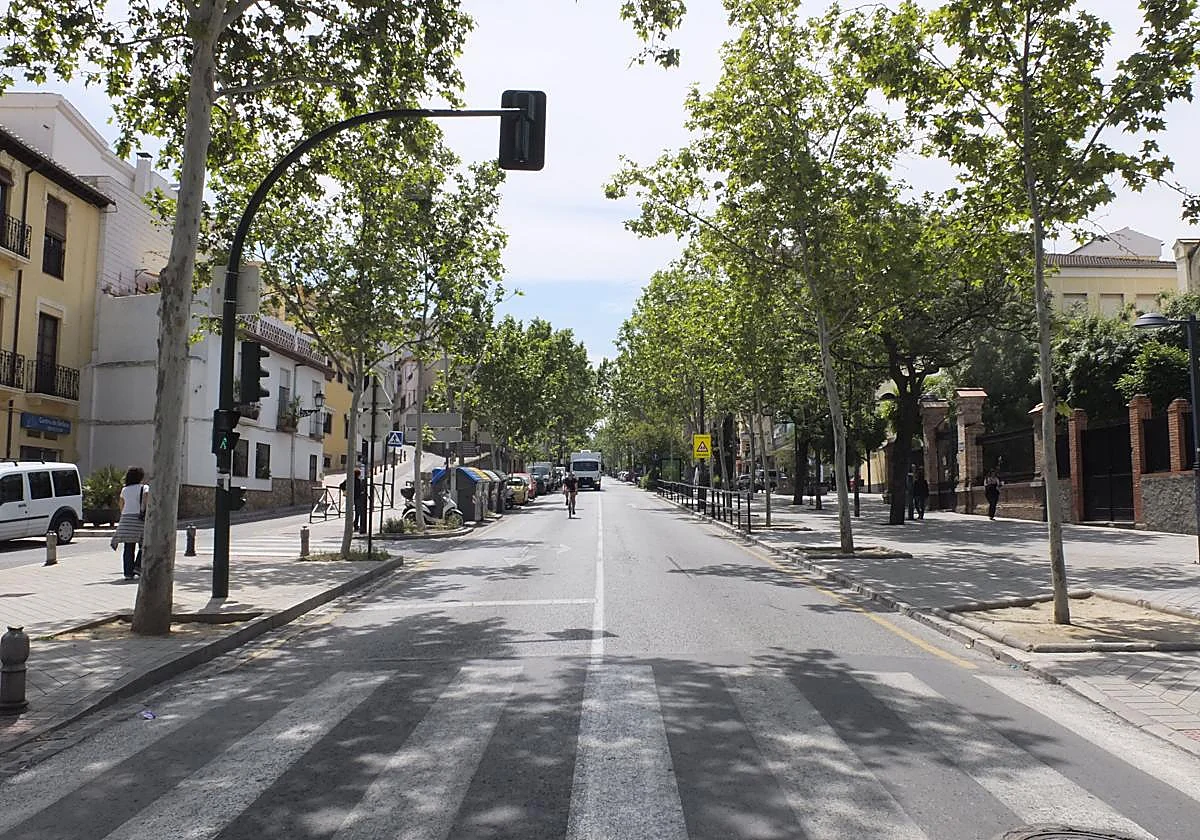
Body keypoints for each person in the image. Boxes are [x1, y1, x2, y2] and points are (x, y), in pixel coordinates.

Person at [112, 466, 148, 580]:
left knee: (128, 547)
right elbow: (146, 501)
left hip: (126, 520)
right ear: (140, 477)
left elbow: (121, 504)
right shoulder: (144, 488)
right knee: (144, 545)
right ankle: (137, 566)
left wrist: (125, 515)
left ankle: (128, 573)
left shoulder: (125, 489)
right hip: (139, 519)